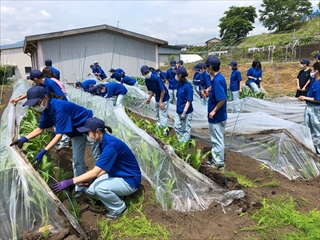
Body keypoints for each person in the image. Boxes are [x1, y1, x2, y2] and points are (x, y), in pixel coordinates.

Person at [10, 86, 100, 199]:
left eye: (36, 103)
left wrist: (44, 151)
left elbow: (59, 135)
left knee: (98, 158)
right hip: (76, 132)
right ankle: (80, 187)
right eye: (33, 105)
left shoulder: (59, 109)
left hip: (90, 128)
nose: (35, 107)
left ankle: (100, 182)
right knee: (77, 161)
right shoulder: (47, 110)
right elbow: (40, 128)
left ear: (45, 98)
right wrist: (24, 139)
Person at [53, 117, 141, 220]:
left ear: (97, 132)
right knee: (90, 190)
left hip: (130, 180)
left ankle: (119, 209)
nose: (87, 135)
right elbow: (104, 168)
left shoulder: (110, 146)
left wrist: (70, 182)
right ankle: (117, 196)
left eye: (87, 133)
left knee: (100, 189)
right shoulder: (102, 142)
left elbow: (96, 171)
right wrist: (91, 180)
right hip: (117, 174)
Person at [205, 56, 227, 169]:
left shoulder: (217, 80)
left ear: (211, 67)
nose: (206, 69)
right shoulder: (217, 79)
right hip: (218, 116)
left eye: (207, 67)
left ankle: (219, 163)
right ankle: (216, 160)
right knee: (216, 139)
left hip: (217, 117)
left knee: (217, 140)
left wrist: (213, 111)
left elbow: (222, 98)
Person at [42, 67, 70, 150]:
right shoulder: (54, 78)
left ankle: (64, 143)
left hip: (60, 101)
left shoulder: (50, 82)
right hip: (60, 100)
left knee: (60, 124)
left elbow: (60, 95)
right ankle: (63, 141)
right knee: (60, 124)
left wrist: (57, 106)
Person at [298, 61, 320, 154]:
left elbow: (318, 99)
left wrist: (305, 98)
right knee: (306, 127)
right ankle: (307, 147)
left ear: (317, 71)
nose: (312, 71)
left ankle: (319, 150)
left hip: (316, 108)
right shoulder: (314, 81)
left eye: (313, 69)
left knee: (317, 128)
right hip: (309, 107)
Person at [141, 65, 169, 136]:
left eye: (147, 72)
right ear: (143, 74)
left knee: (162, 116)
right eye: (145, 73)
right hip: (157, 98)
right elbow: (152, 90)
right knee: (157, 115)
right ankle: (159, 129)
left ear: (150, 71)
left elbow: (162, 90)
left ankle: (164, 133)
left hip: (164, 98)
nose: (147, 74)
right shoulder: (147, 80)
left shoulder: (156, 78)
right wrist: (149, 99)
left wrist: (160, 102)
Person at [173, 67, 193, 142]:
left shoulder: (188, 86)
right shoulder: (179, 84)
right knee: (176, 126)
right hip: (179, 110)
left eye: (176, 74)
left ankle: (184, 145)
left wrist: (184, 112)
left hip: (186, 112)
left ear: (180, 75)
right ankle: (181, 141)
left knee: (185, 128)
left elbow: (189, 101)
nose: (175, 75)